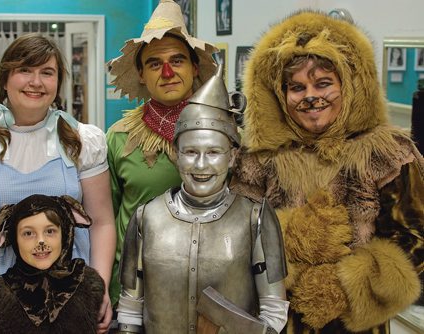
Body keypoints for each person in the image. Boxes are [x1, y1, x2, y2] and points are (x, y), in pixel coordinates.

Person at [230, 11, 423, 333]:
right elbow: (234, 236)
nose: (310, 97)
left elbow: (415, 241)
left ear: (347, 86)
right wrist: (288, 246)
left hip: (356, 324)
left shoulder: (388, 153)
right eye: (296, 87)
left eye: (323, 83)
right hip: (275, 319)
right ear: (280, 95)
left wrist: (345, 284)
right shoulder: (257, 159)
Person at [0, 33, 115, 334]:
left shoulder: (83, 141)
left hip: (66, 290)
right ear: (5, 79)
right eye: (25, 71)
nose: (36, 82)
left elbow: (102, 222)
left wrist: (101, 287)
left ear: (58, 83)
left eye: (47, 72)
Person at [115, 66, 289, 333]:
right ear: (176, 154)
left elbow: (274, 312)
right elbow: (131, 306)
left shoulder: (254, 219)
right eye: (191, 151)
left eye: (214, 152)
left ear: (232, 156)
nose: (201, 164)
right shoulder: (146, 217)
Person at [106, 0, 217, 306]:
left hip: (209, 291)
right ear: (141, 74)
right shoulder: (118, 137)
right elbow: (105, 221)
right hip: (134, 293)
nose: (167, 72)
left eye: (177, 60)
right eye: (155, 63)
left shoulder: (225, 136)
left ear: (194, 67)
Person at [0, 194, 105, 333]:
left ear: (64, 233)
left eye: (50, 231)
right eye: (28, 233)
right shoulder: (1, 294)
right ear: (14, 239)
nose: (41, 241)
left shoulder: (86, 282)